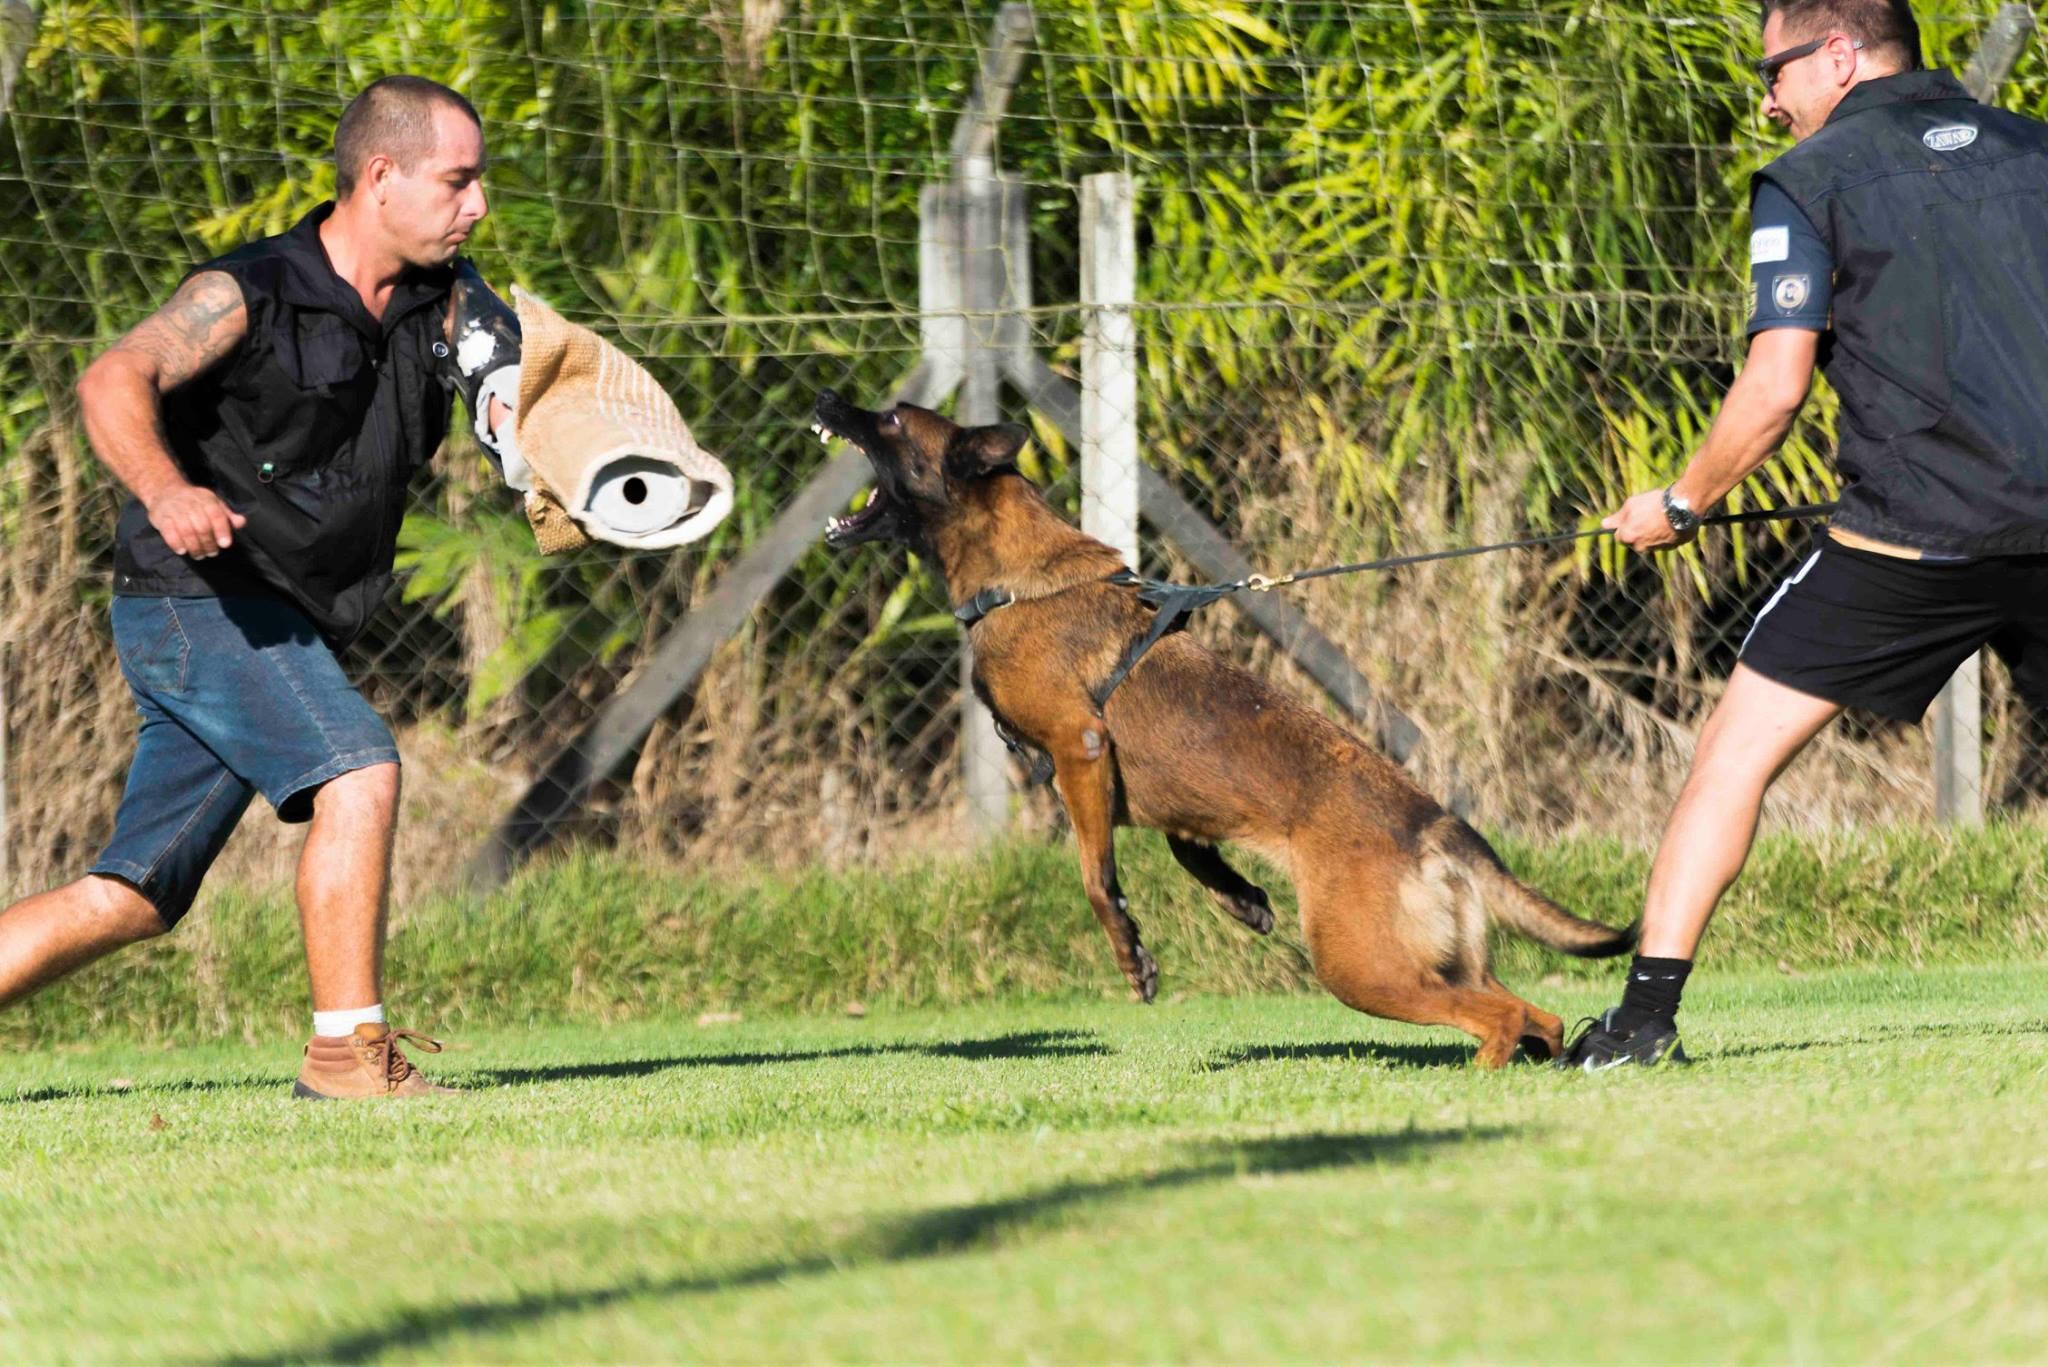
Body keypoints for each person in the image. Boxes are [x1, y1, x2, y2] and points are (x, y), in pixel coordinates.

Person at [0, 76, 526, 1098]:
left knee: (135, 894)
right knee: (358, 769)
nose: (477, 205)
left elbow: (522, 399)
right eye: (457, 181)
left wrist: (561, 460)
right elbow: (114, 377)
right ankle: (345, 1054)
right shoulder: (249, 290)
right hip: (197, 599)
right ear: (381, 177)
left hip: (277, 621)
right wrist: (165, 488)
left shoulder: (450, 301)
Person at [1564, 0, 2048, 1069]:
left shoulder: (1810, 177)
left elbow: (1773, 386)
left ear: (1836, 54)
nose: (1767, 98)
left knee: (1731, 757)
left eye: (1773, 72)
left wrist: (1681, 502)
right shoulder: (2033, 150)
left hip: (1907, 543)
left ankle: (1640, 1024)